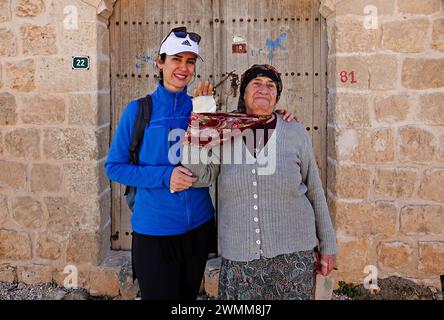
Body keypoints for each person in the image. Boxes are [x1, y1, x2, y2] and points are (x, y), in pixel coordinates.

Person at [106, 28, 295, 300]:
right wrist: (164, 177)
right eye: (176, 59)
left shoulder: (202, 107)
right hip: (154, 230)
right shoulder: (138, 110)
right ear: (160, 62)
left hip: (198, 227)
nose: (183, 68)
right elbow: (114, 167)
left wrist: (279, 115)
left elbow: (246, 122)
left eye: (190, 61)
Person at [181, 64, 339, 300]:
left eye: (271, 85)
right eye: (256, 84)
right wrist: (199, 123)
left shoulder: (294, 130)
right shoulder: (224, 130)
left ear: (277, 96)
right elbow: (200, 176)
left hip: (294, 255)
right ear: (243, 93)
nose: (264, 89)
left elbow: (315, 191)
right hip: (240, 253)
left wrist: (328, 246)